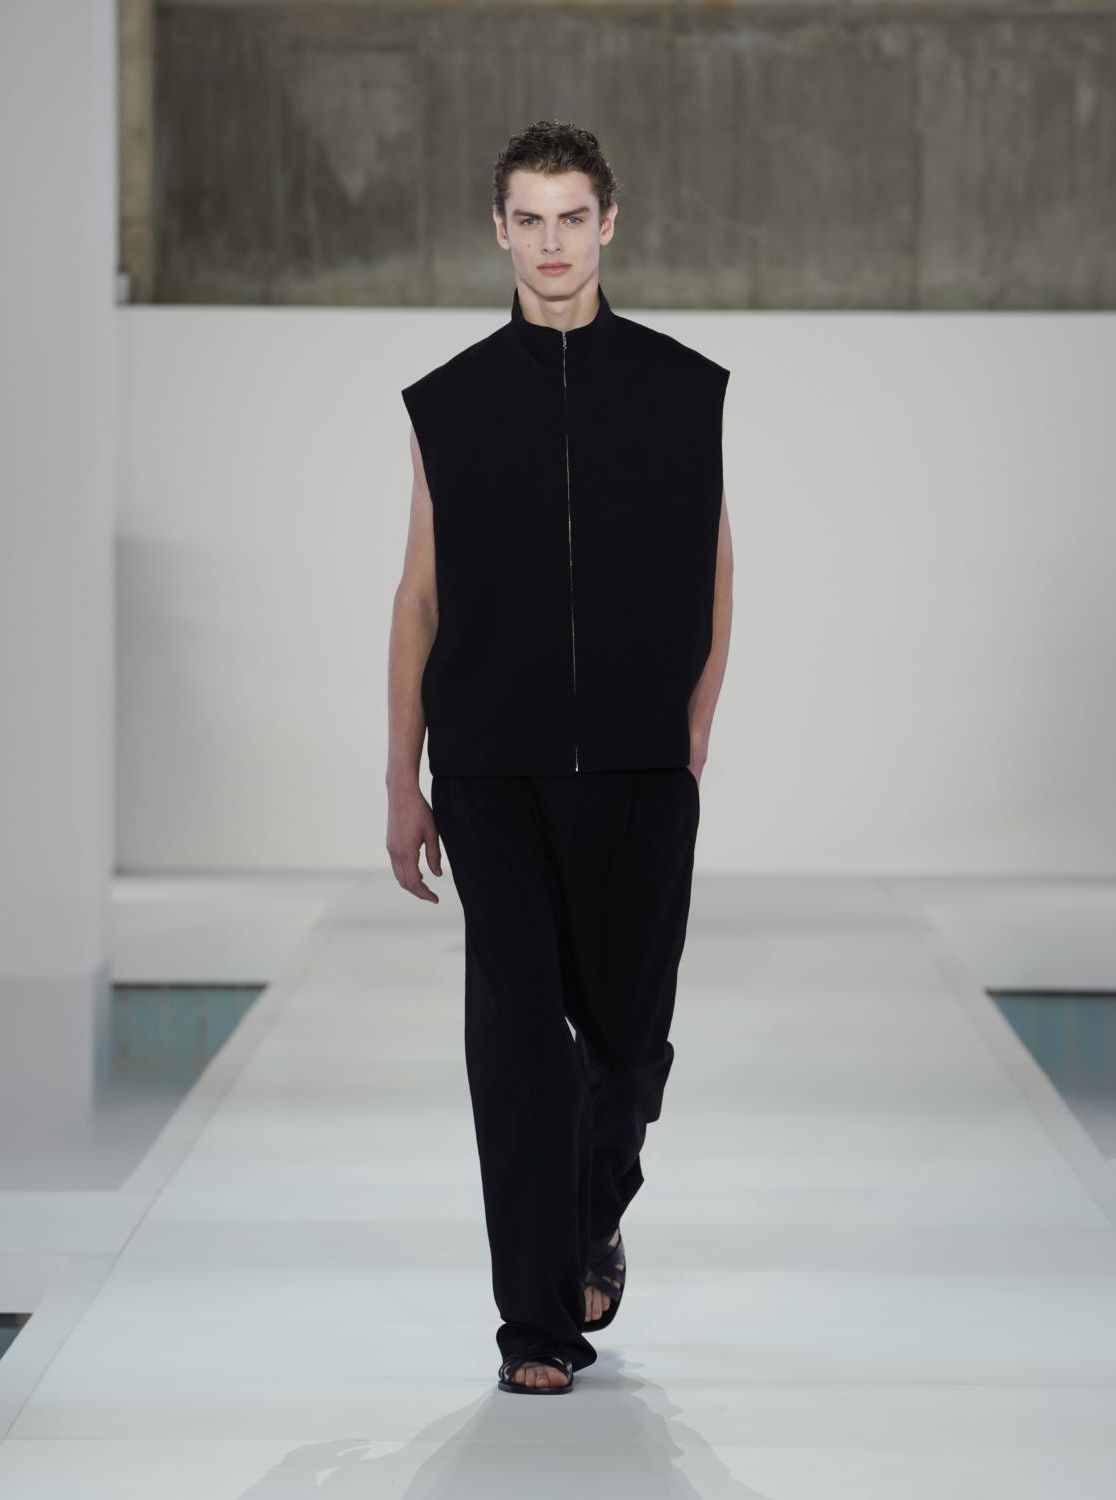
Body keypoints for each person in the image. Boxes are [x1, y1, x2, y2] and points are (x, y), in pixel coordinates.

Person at [386, 121, 733, 1394]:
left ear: (607, 223)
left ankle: (592, 1212)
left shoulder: (682, 389)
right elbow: (420, 597)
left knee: (629, 1050)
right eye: (528, 219)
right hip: (494, 768)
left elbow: (716, 566)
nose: (550, 243)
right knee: (523, 1047)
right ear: (500, 230)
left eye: (570, 217)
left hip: (640, 768)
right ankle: (536, 1325)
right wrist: (401, 775)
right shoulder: (451, 404)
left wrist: (694, 723)